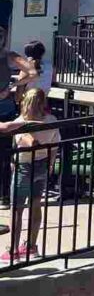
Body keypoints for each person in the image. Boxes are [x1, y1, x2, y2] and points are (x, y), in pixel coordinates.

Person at [0, 88, 59, 263]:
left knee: (17, 209)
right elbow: (54, 146)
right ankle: (31, 246)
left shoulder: (21, 122)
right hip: (43, 165)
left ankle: (13, 250)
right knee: (35, 204)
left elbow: (28, 142)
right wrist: (50, 164)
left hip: (24, 167)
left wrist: (24, 125)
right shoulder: (52, 121)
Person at [0, 25, 37, 211]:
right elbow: (32, 72)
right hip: (5, 108)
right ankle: (4, 196)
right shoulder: (9, 56)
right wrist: (12, 85)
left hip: (4, 109)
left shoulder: (8, 56)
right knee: (6, 155)